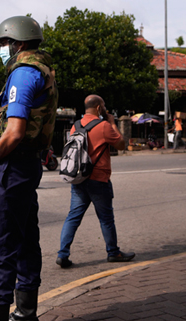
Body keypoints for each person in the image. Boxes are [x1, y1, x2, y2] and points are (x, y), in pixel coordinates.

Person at [0, 15, 58, 321]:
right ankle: (26, 313)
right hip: (28, 164)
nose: (1, 49)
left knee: (2, 244)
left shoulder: (23, 74)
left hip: (12, 167)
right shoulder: (43, 70)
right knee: (25, 238)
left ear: (17, 43)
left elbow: (15, 132)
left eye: (3, 43)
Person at [56, 95, 134, 270]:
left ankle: (63, 254)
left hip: (78, 178)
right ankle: (113, 252)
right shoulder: (104, 126)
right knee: (106, 219)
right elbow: (121, 145)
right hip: (98, 179)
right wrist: (113, 122)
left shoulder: (74, 126)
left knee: (73, 217)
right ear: (99, 108)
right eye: (104, 106)